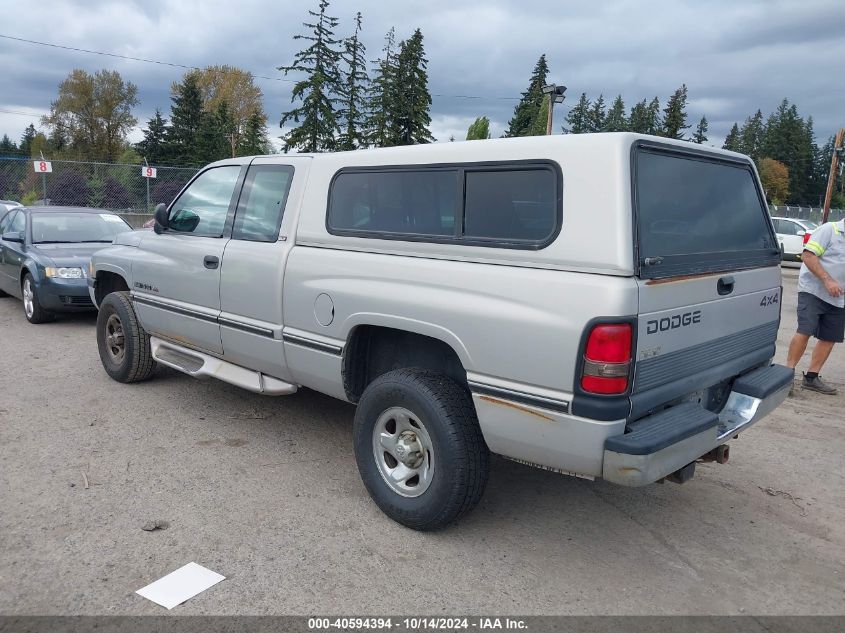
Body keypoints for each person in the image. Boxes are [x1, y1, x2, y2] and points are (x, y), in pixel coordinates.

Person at [785, 218, 845, 394]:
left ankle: (811, 378)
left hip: (839, 297)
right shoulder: (830, 230)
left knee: (829, 337)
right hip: (814, 291)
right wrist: (827, 280)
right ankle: (787, 375)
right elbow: (808, 256)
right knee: (805, 330)